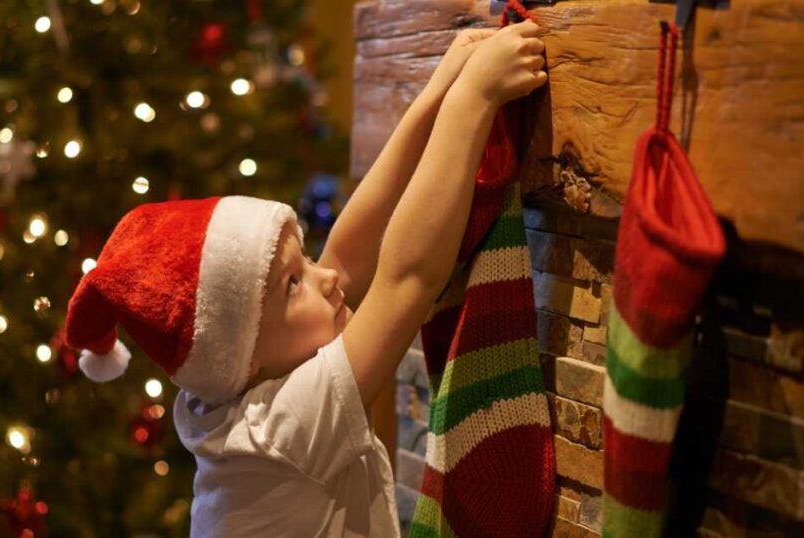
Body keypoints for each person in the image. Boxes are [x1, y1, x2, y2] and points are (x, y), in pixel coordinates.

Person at [63, 20, 546, 537]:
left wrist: (436, 94)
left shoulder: (227, 386)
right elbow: (406, 278)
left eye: (304, 263)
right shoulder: (280, 433)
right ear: (244, 353)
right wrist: (472, 99)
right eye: (294, 284)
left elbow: (345, 255)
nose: (325, 278)